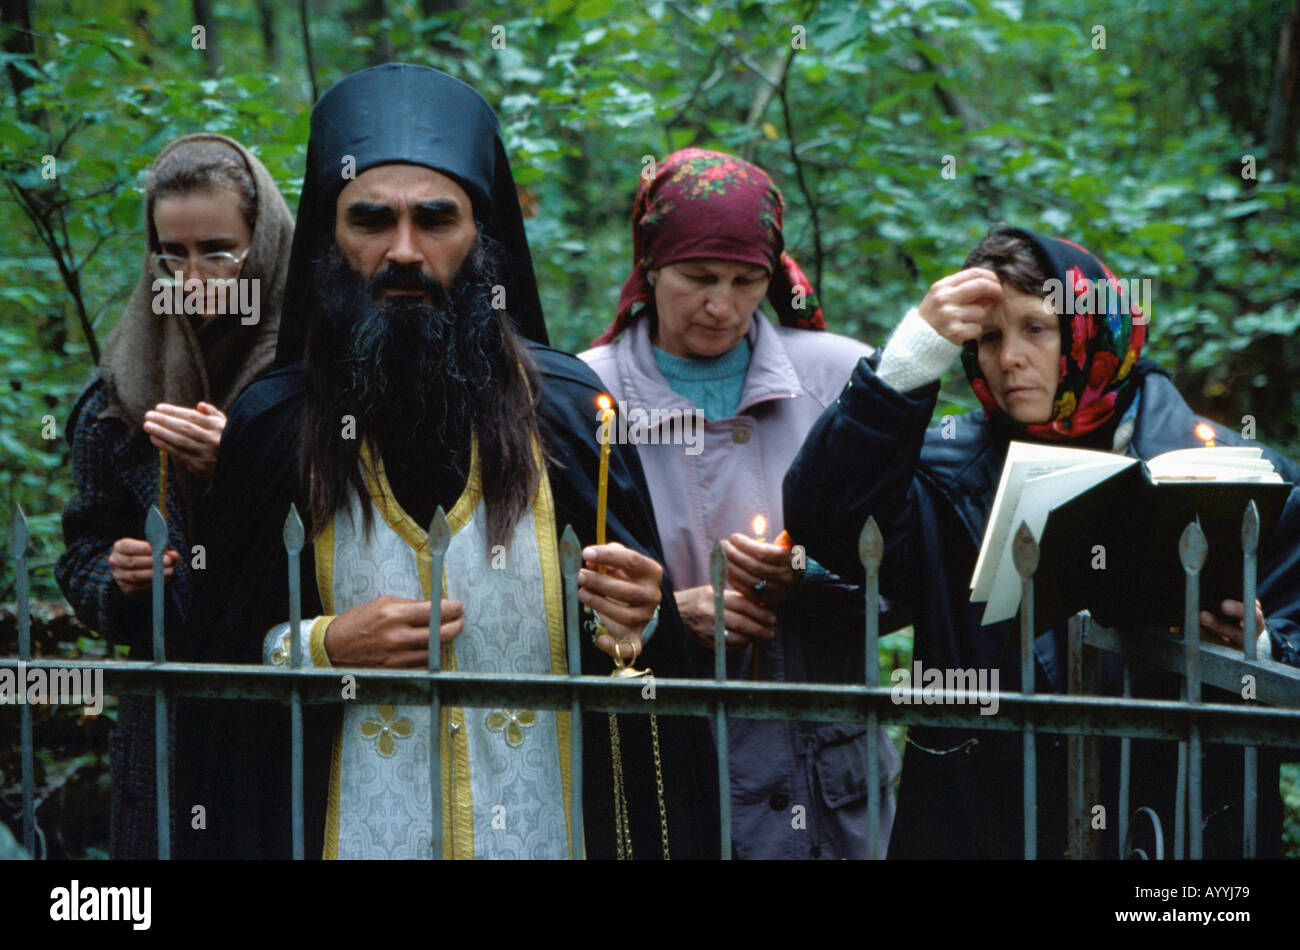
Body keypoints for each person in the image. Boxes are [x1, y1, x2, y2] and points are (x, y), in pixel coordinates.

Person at [174, 64, 719, 860]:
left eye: (435, 219)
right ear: (332, 237)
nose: (403, 250)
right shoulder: (274, 423)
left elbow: (645, 677)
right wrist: (322, 648)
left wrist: (644, 616)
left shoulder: (566, 410)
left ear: (480, 236)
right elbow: (208, 674)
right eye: (370, 220)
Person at [784, 227, 1300, 858]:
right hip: (983, 823)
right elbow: (825, 519)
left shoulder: (1234, 475)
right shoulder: (945, 474)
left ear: (1090, 330)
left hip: (1174, 842)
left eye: (1036, 328)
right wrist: (909, 362)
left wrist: (1262, 650)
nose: (1008, 359)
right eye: (990, 336)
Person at [580, 148, 899, 859]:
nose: (720, 305)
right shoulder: (582, 397)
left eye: (745, 279)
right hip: (672, 780)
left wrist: (809, 584)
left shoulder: (843, 380)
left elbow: (912, 565)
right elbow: (553, 591)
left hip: (831, 789)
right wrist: (667, 618)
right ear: (650, 266)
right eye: (696, 278)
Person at [55, 133, 294, 859]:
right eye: (173, 253)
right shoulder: (122, 386)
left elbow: (360, 530)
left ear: (266, 242)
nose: (194, 276)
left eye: (219, 250)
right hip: (168, 712)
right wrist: (120, 577)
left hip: (292, 699)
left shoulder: (317, 369)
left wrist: (244, 464)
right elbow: (82, 547)